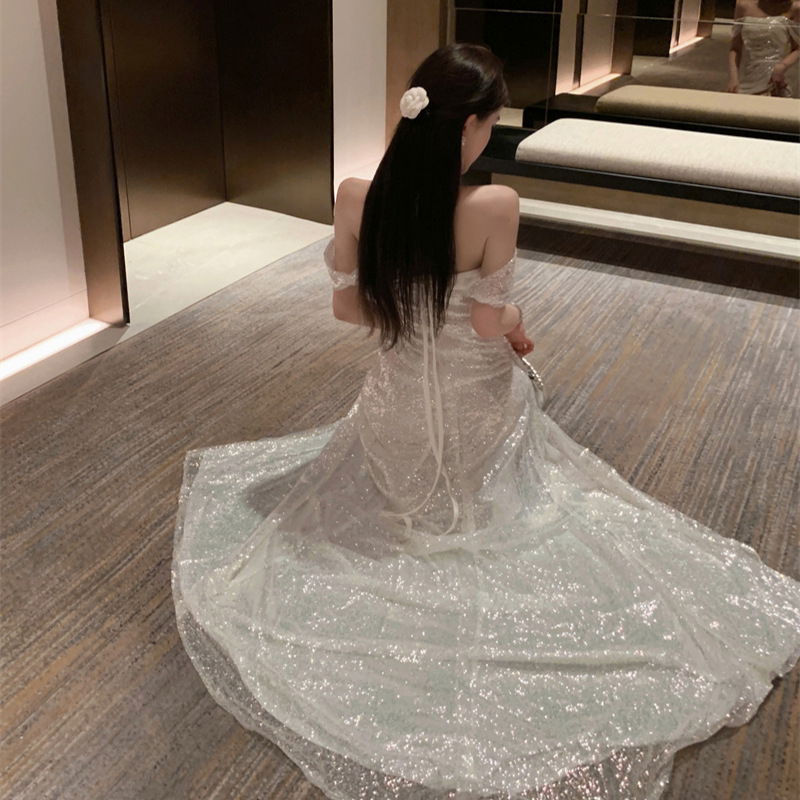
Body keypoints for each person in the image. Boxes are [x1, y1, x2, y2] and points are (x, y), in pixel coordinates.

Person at [172, 42, 800, 800]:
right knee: (528, 459)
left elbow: (347, 309)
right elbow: (482, 325)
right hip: (475, 407)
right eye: (491, 123)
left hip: (393, 409)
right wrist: (515, 318)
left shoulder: (355, 195)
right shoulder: (494, 206)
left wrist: (415, 309)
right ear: (472, 125)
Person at [728, 0, 800, 95]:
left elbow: (798, 48)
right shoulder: (743, 5)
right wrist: (733, 78)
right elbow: (735, 48)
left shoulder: (795, 8)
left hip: (777, 79)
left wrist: (783, 65)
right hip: (748, 78)